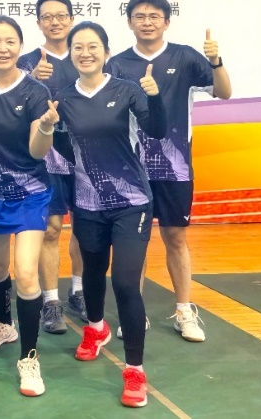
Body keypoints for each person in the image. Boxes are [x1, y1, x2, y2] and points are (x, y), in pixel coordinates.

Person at [105, 0, 231, 343]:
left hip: (176, 169)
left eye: (154, 16)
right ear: (129, 22)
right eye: (140, 16)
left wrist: (216, 61)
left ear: (166, 22)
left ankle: (184, 310)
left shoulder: (185, 56)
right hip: (132, 170)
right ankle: (134, 313)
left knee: (176, 238)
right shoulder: (117, 65)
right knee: (134, 243)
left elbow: (224, 92)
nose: (147, 22)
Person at [56, 22, 166, 408]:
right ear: (71, 53)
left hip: (132, 202)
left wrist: (156, 97)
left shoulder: (127, 90)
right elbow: (61, 145)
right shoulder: (63, 98)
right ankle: (95, 328)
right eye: (78, 47)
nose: (85, 53)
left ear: (105, 52)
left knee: (124, 282)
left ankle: (135, 369)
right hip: (88, 204)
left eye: (93, 46)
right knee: (92, 271)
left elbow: (157, 130)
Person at [0, 15, 60, 397]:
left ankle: (29, 360)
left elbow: (38, 151)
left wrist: (47, 126)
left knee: (26, 274)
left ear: (20, 47)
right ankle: (3, 325)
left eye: (10, 41)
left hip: (30, 193)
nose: (2, 48)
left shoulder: (35, 92)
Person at [16, 0, 87, 331]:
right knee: (51, 229)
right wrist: (32, 78)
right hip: (47, 157)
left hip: (88, 155)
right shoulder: (26, 62)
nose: (55, 22)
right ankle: (51, 301)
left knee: (86, 227)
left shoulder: (87, 55)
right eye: (47, 16)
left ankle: (79, 290)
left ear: (71, 19)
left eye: (61, 15)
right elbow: (13, 105)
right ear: (39, 22)